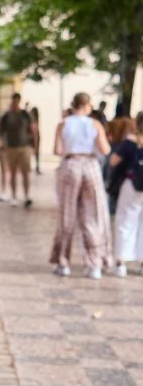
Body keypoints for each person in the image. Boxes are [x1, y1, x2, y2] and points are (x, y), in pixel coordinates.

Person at [51, 92, 113, 279]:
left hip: (70, 165)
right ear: (87, 106)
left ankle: (63, 263)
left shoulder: (63, 124)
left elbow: (57, 150)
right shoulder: (94, 124)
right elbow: (105, 149)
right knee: (93, 214)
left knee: (67, 214)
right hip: (90, 166)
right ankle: (94, 264)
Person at [108, 120, 142, 277]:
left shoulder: (130, 142)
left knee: (125, 221)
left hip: (131, 184)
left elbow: (113, 160)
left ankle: (121, 263)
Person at [0, 92, 35, 207]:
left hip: (24, 147)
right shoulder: (7, 116)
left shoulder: (25, 115)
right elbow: (1, 131)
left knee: (25, 173)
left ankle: (26, 195)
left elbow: (33, 130)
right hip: (11, 148)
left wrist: (34, 145)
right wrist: (2, 144)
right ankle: (13, 196)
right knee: (12, 172)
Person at [30, 105, 43, 175]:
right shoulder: (32, 120)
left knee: (36, 153)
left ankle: (37, 167)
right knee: (35, 153)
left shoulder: (34, 120)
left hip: (35, 137)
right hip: (34, 137)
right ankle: (36, 167)